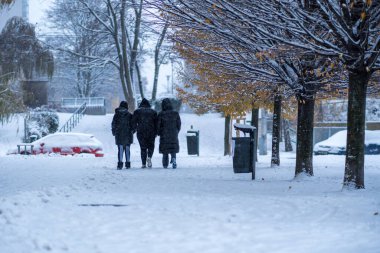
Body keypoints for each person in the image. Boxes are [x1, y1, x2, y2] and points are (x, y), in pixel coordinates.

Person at [132, 98, 157, 168]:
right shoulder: (153, 112)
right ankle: (149, 157)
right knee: (151, 146)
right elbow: (156, 123)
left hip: (141, 131)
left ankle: (143, 163)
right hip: (151, 131)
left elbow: (133, 122)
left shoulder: (137, 111)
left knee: (143, 148)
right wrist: (156, 132)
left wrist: (134, 130)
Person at [157, 98, 181, 169]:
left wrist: (158, 132)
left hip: (164, 134)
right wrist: (176, 131)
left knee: (165, 150)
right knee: (173, 148)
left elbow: (158, 125)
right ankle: (173, 159)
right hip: (173, 134)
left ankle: (165, 164)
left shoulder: (161, 114)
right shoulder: (175, 113)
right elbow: (179, 124)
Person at [111, 101, 134, 170]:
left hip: (119, 134)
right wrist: (132, 131)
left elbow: (113, 124)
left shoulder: (116, 115)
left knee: (120, 149)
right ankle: (127, 163)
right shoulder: (129, 115)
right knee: (127, 149)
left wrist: (114, 132)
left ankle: (120, 164)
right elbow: (133, 125)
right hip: (128, 134)